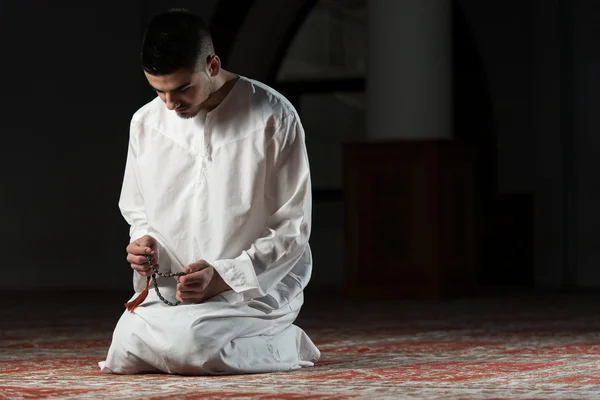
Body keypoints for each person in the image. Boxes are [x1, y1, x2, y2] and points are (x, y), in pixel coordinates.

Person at [98, 8, 320, 375]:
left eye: (182, 88)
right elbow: (137, 211)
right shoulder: (145, 122)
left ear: (213, 66)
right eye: (159, 91)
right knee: (125, 348)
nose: (170, 104)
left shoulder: (273, 116)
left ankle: (287, 340)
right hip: (175, 290)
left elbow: (292, 228)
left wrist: (222, 276)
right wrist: (144, 244)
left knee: (194, 346)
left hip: (252, 288)